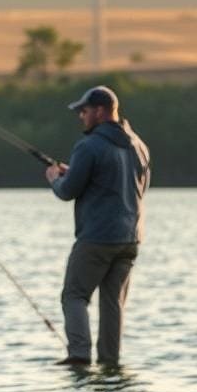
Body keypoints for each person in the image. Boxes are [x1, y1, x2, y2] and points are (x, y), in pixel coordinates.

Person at [44, 85, 150, 366]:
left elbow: (67, 192)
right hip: (131, 238)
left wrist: (55, 177)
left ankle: (79, 355)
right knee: (112, 303)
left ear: (101, 111)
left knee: (74, 295)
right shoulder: (139, 145)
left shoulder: (88, 145)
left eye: (85, 110)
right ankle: (109, 361)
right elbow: (137, 187)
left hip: (97, 238)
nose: (81, 115)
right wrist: (76, 172)